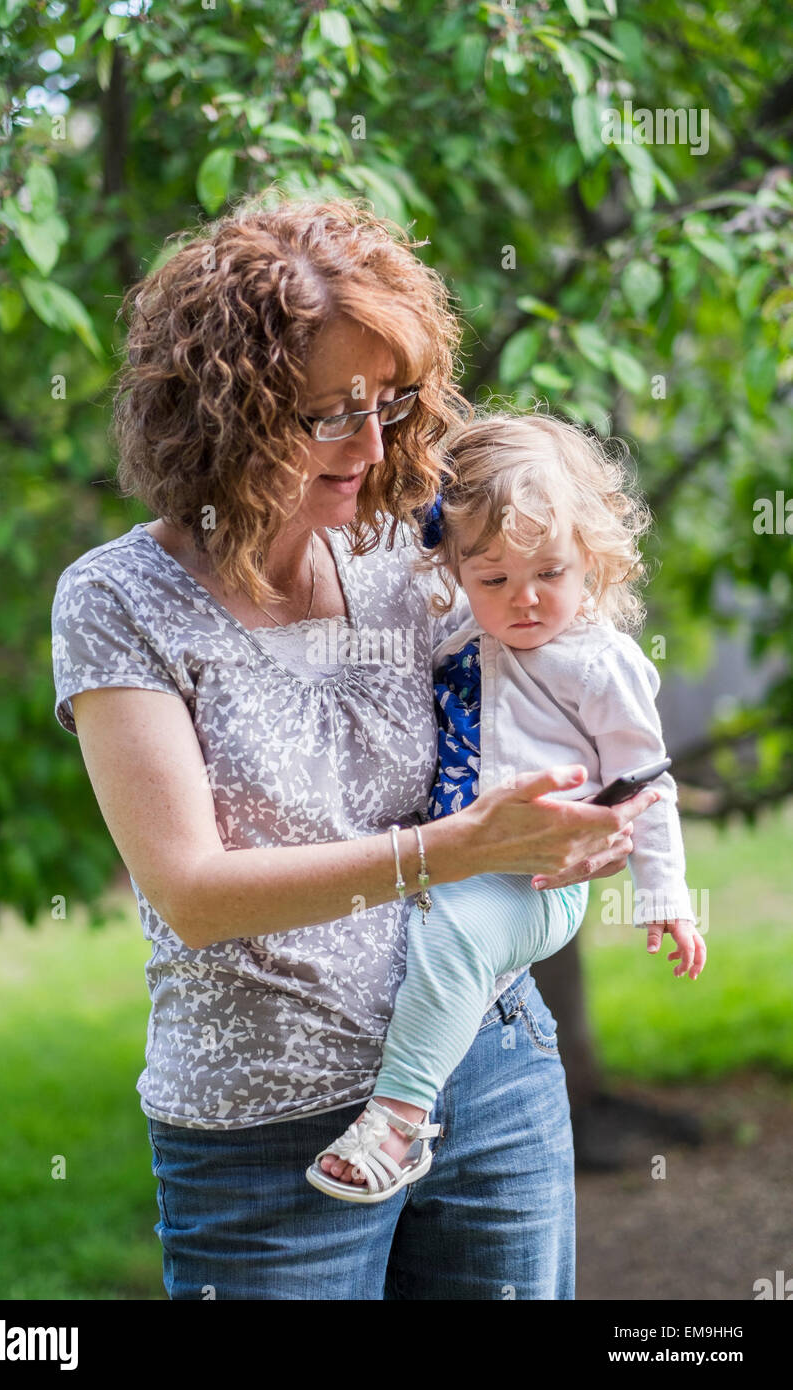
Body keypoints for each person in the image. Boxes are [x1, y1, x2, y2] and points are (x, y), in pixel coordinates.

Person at [50, 190, 659, 1300]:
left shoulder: (409, 552)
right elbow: (192, 892)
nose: (372, 445)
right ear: (223, 411)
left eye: (387, 402)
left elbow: (563, 644)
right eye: (328, 412)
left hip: (487, 1076)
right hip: (264, 1132)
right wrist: (453, 851)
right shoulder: (120, 601)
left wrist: (597, 812)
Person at [306, 409, 707, 1204]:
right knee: (429, 934)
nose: (524, 600)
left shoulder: (599, 665)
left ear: (591, 559)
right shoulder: (459, 635)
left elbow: (645, 785)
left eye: (549, 574)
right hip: (454, 859)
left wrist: (665, 898)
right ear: (457, 569)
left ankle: (397, 1119)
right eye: (493, 579)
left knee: (453, 939)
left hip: (533, 882)